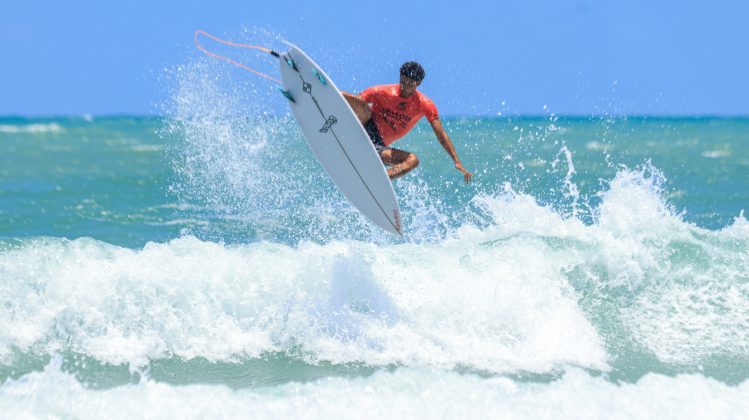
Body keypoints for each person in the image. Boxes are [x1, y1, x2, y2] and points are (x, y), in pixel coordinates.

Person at [342, 62, 473, 182]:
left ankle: (378, 181)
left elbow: (441, 135)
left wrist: (456, 161)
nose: (405, 87)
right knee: (362, 103)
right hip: (362, 125)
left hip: (377, 147)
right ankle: (333, 113)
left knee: (413, 160)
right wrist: (334, 92)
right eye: (403, 81)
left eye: (410, 83)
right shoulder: (383, 92)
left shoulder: (425, 104)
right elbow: (356, 101)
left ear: (418, 83)